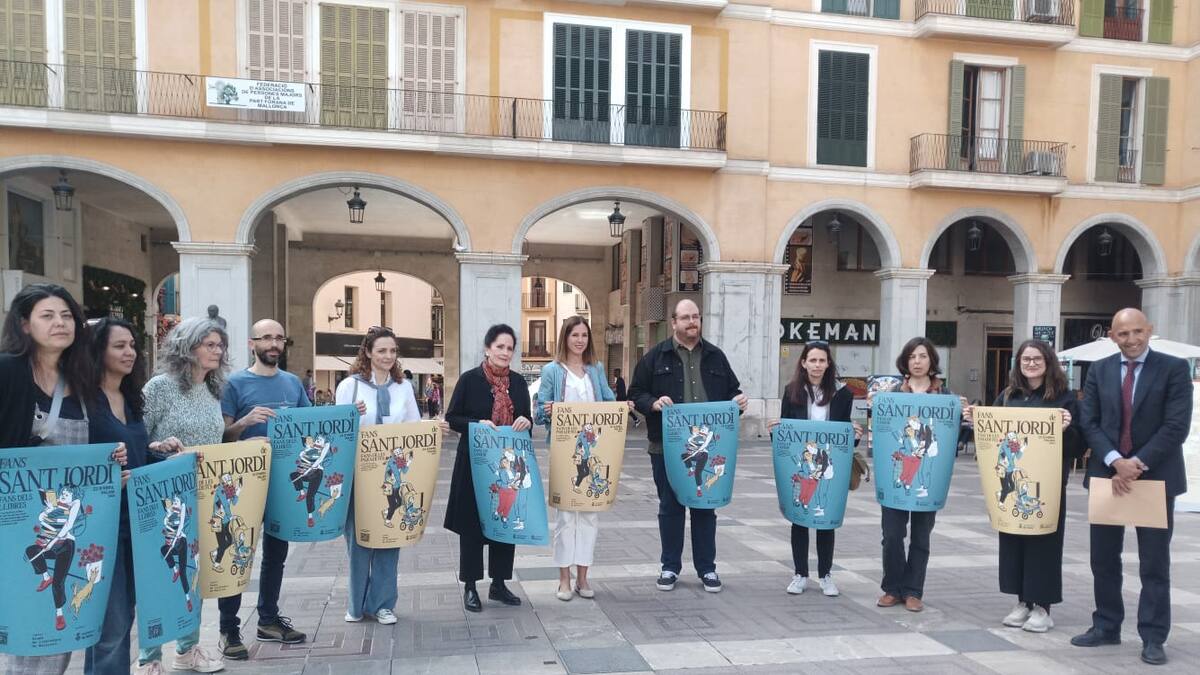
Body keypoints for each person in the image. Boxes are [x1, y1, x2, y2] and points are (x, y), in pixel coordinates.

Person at [0, 284, 126, 675]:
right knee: (24, 636)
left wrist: (111, 460)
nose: (60, 323)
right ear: (24, 324)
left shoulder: (81, 379)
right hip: (17, 524)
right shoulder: (7, 371)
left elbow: (90, 455)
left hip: (67, 524)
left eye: (67, 316)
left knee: (60, 637)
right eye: (47, 315)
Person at [1071, 308, 1192, 666]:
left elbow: (1176, 426)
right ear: (1112, 336)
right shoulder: (1100, 370)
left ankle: (1153, 636)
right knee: (1103, 559)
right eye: (1123, 334)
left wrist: (1135, 464)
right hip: (1108, 476)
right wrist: (1114, 461)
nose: (1132, 340)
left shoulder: (1173, 369)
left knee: (1154, 563)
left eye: (1138, 332)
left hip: (1153, 478)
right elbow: (1088, 421)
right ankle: (1106, 625)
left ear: (1149, 331)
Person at [131, 317, 231, 673]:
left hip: (203, 494)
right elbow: (135, 438)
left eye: (220, 345)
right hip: (163, 495)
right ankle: (149, 659)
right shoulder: (160, 387)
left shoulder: (214, 390)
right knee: (159, 575)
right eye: (209, 344)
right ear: (188, 347)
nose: (217, 351)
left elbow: (216, 442)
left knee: (193, 574)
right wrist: (158, 446)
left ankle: (188, 651)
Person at [627, 299, 747, 593]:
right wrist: (653, 403)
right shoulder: (655, 357)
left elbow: (733, 393)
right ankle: (670, 567)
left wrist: (739, 403)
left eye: (695, 317)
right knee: (671, 507)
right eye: (685, 317)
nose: (692, 322)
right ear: (674, 322)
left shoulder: (716, 357)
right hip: (666, 450)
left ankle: (707, 569)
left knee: (706, 508)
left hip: (708, 447)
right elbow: (636, 393)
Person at [335, 326, 447, 626]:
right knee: (359, 541)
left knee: (389, 536)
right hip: (360, 474)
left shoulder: (403, 387)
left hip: (395, 473)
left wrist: (432, 427)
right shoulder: (349, 387)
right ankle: (356, 605)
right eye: (382, 350)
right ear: (368, 352)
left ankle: (383, 603)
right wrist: (350, 414)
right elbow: (336, 430)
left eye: (392, 351)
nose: (387, 356)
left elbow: (413, 425)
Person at [218, 319, 311, 658]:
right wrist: (245, 423)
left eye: (278, 338)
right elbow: (221, 436)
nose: (273, 343)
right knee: (237, 554)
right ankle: (229, 629)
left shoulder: (292, 383)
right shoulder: (233, 383)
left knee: (276, 556)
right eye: (266, 338)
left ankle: (268, 620)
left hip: (283, 483)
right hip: (243, 485)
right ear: (251, 343)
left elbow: (309, 427)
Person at [983, 339, 1083, 634]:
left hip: (1047, 484)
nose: (1031, 364)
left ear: (1048, 361)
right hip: (1013, 481)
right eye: (1025, 359)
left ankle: (1043, 607)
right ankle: (1022, 602)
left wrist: (1067, 427)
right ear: (1018, 364)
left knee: (1044, 544)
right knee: (1014, 542)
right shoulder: (1008, 395)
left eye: (1036, 359)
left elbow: (1079, 443)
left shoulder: (1064, 398)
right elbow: (994, 430)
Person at [535, 316, 632, 601]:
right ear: (565, 337)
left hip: (595, 448)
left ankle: (583, 578)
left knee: (589, 515)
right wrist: (548, 409)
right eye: (574, 334)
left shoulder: (595, 369)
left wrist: (621, 406)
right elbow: (539, 409)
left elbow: (606, 400)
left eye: (584, 335)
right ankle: (563, 579)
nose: (580, 340)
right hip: (565, 452)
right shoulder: (552, 371)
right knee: (566, 516)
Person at [875, 337, 969, 613]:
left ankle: (913, 590)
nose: (917, 361)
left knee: (921, 536)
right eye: (912, 357)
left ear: (932, 361)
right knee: (891, 535)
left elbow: (956, 437)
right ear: (905, 362)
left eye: (923, 356)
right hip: (899, 470)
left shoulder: (945, 396)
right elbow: (881, 431)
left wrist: (962, 415)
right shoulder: (892, 393)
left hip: (928, 470)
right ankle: (892, 587)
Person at [443, 324, 532, 612]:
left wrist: (525, 422)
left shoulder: (518, 383)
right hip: (474, 464)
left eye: (509, 348)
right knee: (472, 526)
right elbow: (453, 417)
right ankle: (470, 586)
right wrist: (476, 424)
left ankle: (499, 584)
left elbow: (526, 419)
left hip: (508, 466)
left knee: (504, 523)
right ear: (487, 349)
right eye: (500, 347)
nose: (505, 352)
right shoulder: (470, 380)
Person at [769, 341, 862, 598]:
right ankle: (800, 574)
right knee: (799, 518)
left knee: (825, 519)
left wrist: (854, 435)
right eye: (813, 360)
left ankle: (825, 575)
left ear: (828, 364)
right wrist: (775, 431)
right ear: (803, 363)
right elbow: (785, 431)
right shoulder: (792, 391)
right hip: (801, 463)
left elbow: (845, 435)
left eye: (822, 361)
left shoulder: (843, 394)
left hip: (828, 464)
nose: (817, 365)